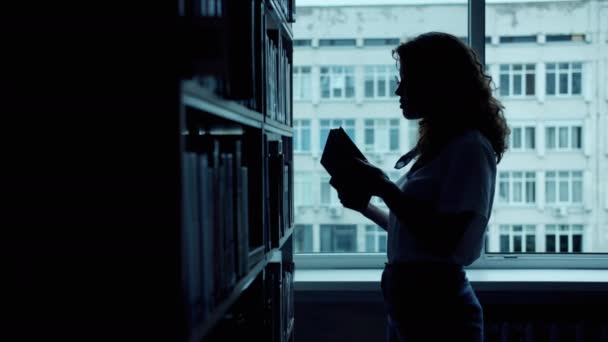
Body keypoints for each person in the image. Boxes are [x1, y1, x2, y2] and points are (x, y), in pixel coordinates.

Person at [330, 32, 509, 341]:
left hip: (439, 314)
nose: (398, 89)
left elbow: (446, 241)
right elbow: (417, 236)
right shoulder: (443, 146)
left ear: (437, 83)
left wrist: (385, 188)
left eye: (407, 79)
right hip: (412, 309)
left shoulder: (470, 149)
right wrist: (367, 208)